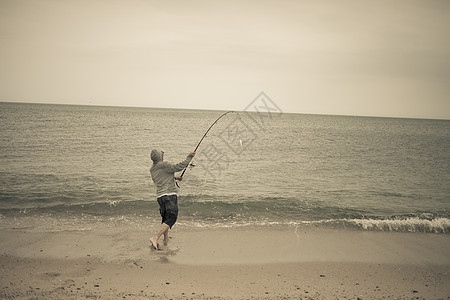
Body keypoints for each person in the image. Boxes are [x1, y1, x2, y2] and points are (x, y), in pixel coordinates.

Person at [149, 149, 195, 250]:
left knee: (165, 217)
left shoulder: (152, 169)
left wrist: (175, 178)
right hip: (169, 195)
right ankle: (155, 237)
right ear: (160, 156)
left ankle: (165, 238)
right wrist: (189, 157)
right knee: (172, 217)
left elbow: (161, 178)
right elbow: (178, 167)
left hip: (160, 196)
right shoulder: (164, 164)